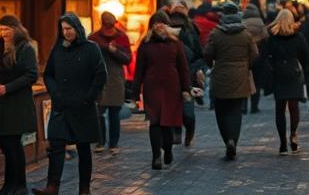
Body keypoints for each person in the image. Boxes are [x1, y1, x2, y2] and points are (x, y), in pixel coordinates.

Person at [34, 13, 106, 195]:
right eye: (63, 29)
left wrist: (88, 97)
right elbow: (49, 74)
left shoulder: (91, 48)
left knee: (83, 148)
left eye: (69, 29)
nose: (66, 32)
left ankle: (84, 189)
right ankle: (53, 186)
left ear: (77, 28)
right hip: (62, 105)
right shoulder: (58, 49)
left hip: (83, 106)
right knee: (56, 144)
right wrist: (55, 93)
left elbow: (100, 75)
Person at [0, 15, 38, 195]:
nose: (3, 33)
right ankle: (9, 185)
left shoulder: (26, 48)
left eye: (7, 29)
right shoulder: (0, 47)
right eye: (1, 30)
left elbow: (31, 74)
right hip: (2, 103)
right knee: (4, 141)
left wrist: (8, 87)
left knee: (13, 144)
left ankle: (19, 186)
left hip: (17, 102)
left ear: (16, 29)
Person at [133, 11, 191, 170]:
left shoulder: (176, 43)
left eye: (162, 22)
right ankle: (156, 156)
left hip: (172, 87)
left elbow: (183, 68)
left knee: (168, 123)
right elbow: (139, 70)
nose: (159, 25)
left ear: (167, 25)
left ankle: (168, 148)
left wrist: (186, 89)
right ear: (151, 26)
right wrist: (135, 93)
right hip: (152, 88)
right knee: (155, 122)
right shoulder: (145, 44)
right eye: (156, 23)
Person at [203, 1, 258, 160]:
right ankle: (233, 139)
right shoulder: (246, 34)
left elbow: (208, 54)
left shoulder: (216, 34)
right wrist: (246, 65)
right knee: (235, 110)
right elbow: (255, 54)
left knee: (221, 110)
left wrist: (212, 64)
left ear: (223, 15)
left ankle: (227, 139)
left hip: (220, 75)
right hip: (240, 75)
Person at [262, 9, 309, 155]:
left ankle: (282, 142)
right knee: (294, 107)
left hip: (278, 73)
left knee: (280, 109)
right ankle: (293, 135)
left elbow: (264, 56)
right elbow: (306, 56)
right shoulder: (298, 37)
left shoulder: (272, 37)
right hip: (294, 72)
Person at [88, 12, 132, 153]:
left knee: (114, 114)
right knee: (99, 113)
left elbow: (127, 59)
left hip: (115, 79)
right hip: (99, 79)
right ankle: (100, 142)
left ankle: (114, 144)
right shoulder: (93, 38)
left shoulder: (121, 37)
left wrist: (114, 51)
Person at [169, 0, 206, 145]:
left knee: (186, 109)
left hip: (187, 75)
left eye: (181, 9)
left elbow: (198, 53)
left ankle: (187, 130)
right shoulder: (166, 29)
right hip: (174, 74)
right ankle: (178, 132)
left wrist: (196, 69)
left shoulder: (192, 29)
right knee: (178, 108)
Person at [241, 0, 269, 114]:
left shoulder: (242, 22)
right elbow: (266, 37)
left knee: (244, 82)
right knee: (256, 82)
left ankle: (243, 107)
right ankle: (254, 106)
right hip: (259, 56)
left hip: (245, 56)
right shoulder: (260, 22)